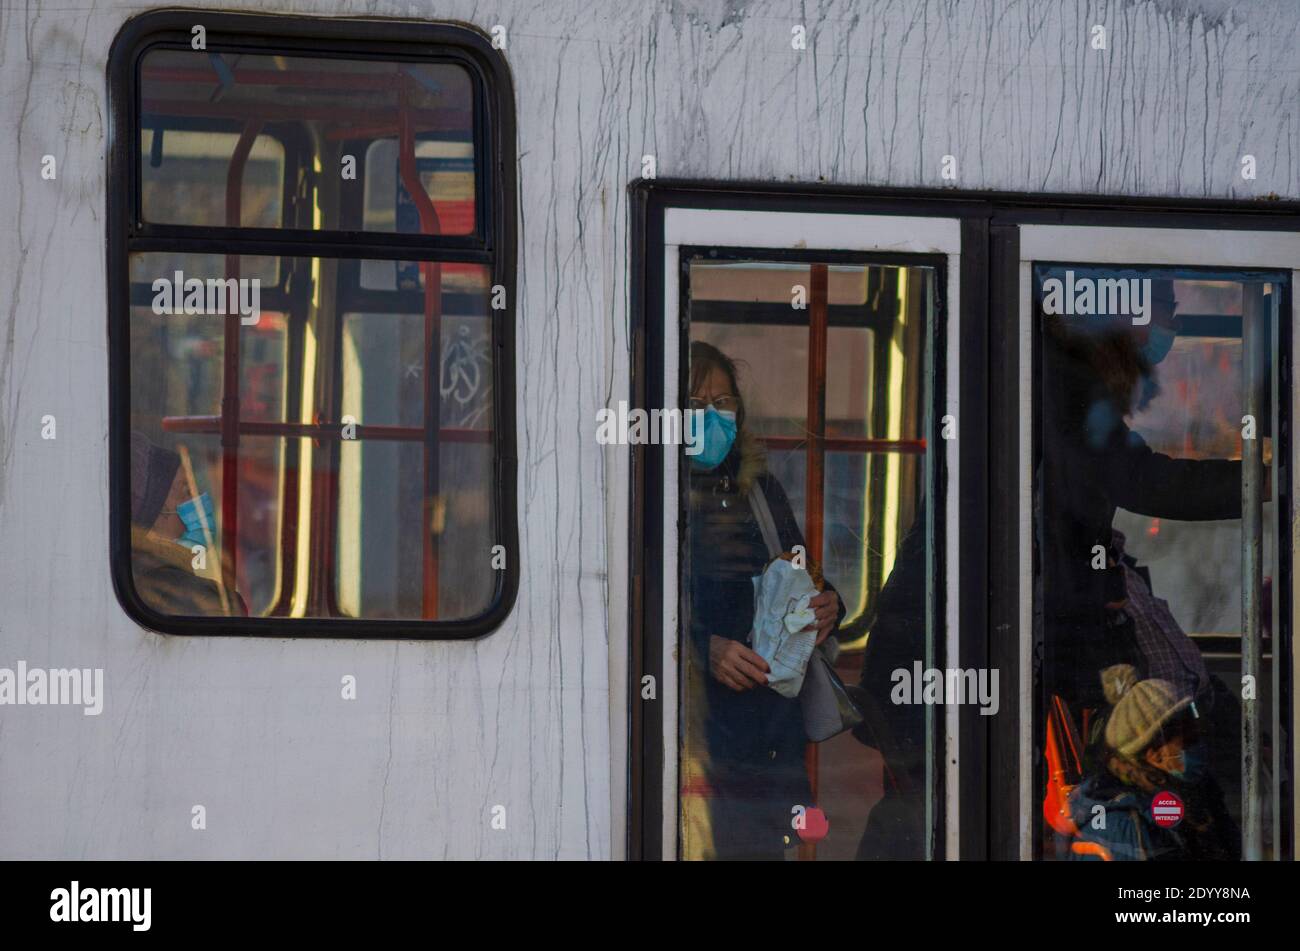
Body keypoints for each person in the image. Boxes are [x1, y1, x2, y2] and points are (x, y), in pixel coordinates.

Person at [684, 341, 844, 860]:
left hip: (767, 736)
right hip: (692, 735)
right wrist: (702, 649)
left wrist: (828, 606)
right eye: (696, 404)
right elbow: (631, 609)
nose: (713, 417)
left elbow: (802, 573)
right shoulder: (649, 489)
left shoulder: (760, 490)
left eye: (724, 403)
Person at [1069, 664, 1237, 861]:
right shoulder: (1126, 823)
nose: (1199, 746)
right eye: (1189, 741)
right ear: (1154, 754)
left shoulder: (1196, 795)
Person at [129, 431, 229, 616]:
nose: (198, 500)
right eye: (186, 490)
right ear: (156, 513)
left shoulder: (134, 578)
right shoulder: (172, 589)